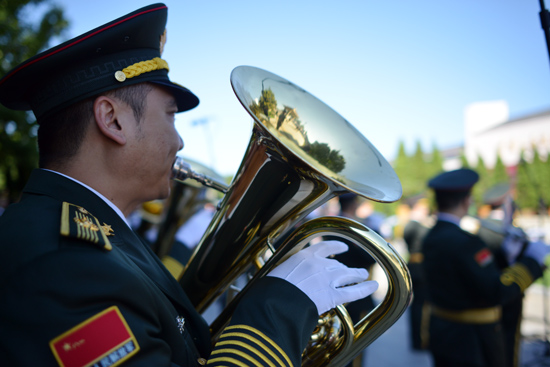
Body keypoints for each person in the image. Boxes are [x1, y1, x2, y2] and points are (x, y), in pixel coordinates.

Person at [0, 4, 379, 366]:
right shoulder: (60, 260)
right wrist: (279, 305)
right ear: (113, 120)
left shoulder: (93, 237)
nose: (179, 142)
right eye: (170, 116)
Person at [421, 168, 550, 367]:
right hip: (472, 338)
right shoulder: (467, 243)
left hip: (443, 331)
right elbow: (496, 291)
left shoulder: (430, 236)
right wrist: (532, 261)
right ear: (466, 201)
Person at [402, 196, 434, 351]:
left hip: (418, 267)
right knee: (421, 305)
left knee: (421, 304)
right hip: (419, 268)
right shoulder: (414, 225)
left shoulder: (415, 224)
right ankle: (420, 339)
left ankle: (420, 338)